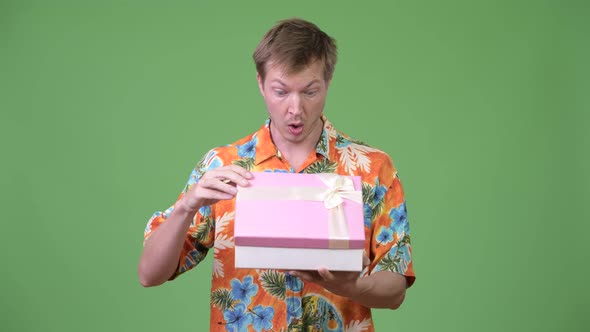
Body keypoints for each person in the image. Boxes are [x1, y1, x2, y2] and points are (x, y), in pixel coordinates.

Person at [138, 18, 415, 331]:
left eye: (310, 91)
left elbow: (395, 290)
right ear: (260, 83)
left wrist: (350, 287)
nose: (295, 109)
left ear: (328, 81)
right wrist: (188, 206)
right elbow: (150, 274)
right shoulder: (222, 166)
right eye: (281, 92)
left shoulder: (373, 169)